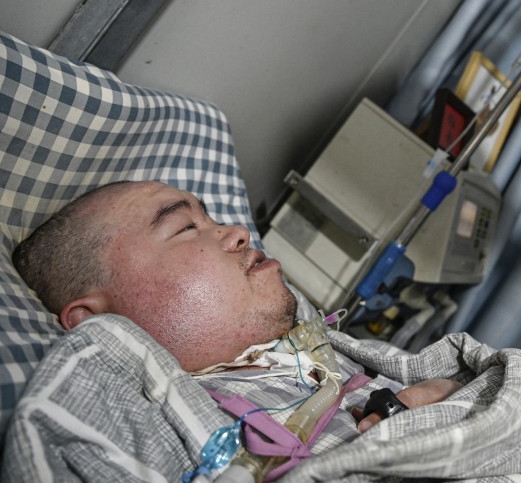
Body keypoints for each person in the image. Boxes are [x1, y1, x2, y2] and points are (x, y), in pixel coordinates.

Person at [12, 180, 461, 434]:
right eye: (186, 227)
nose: (239, 230)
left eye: (210, 217)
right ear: (103, 324)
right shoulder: (165, 434)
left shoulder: (335, 360)